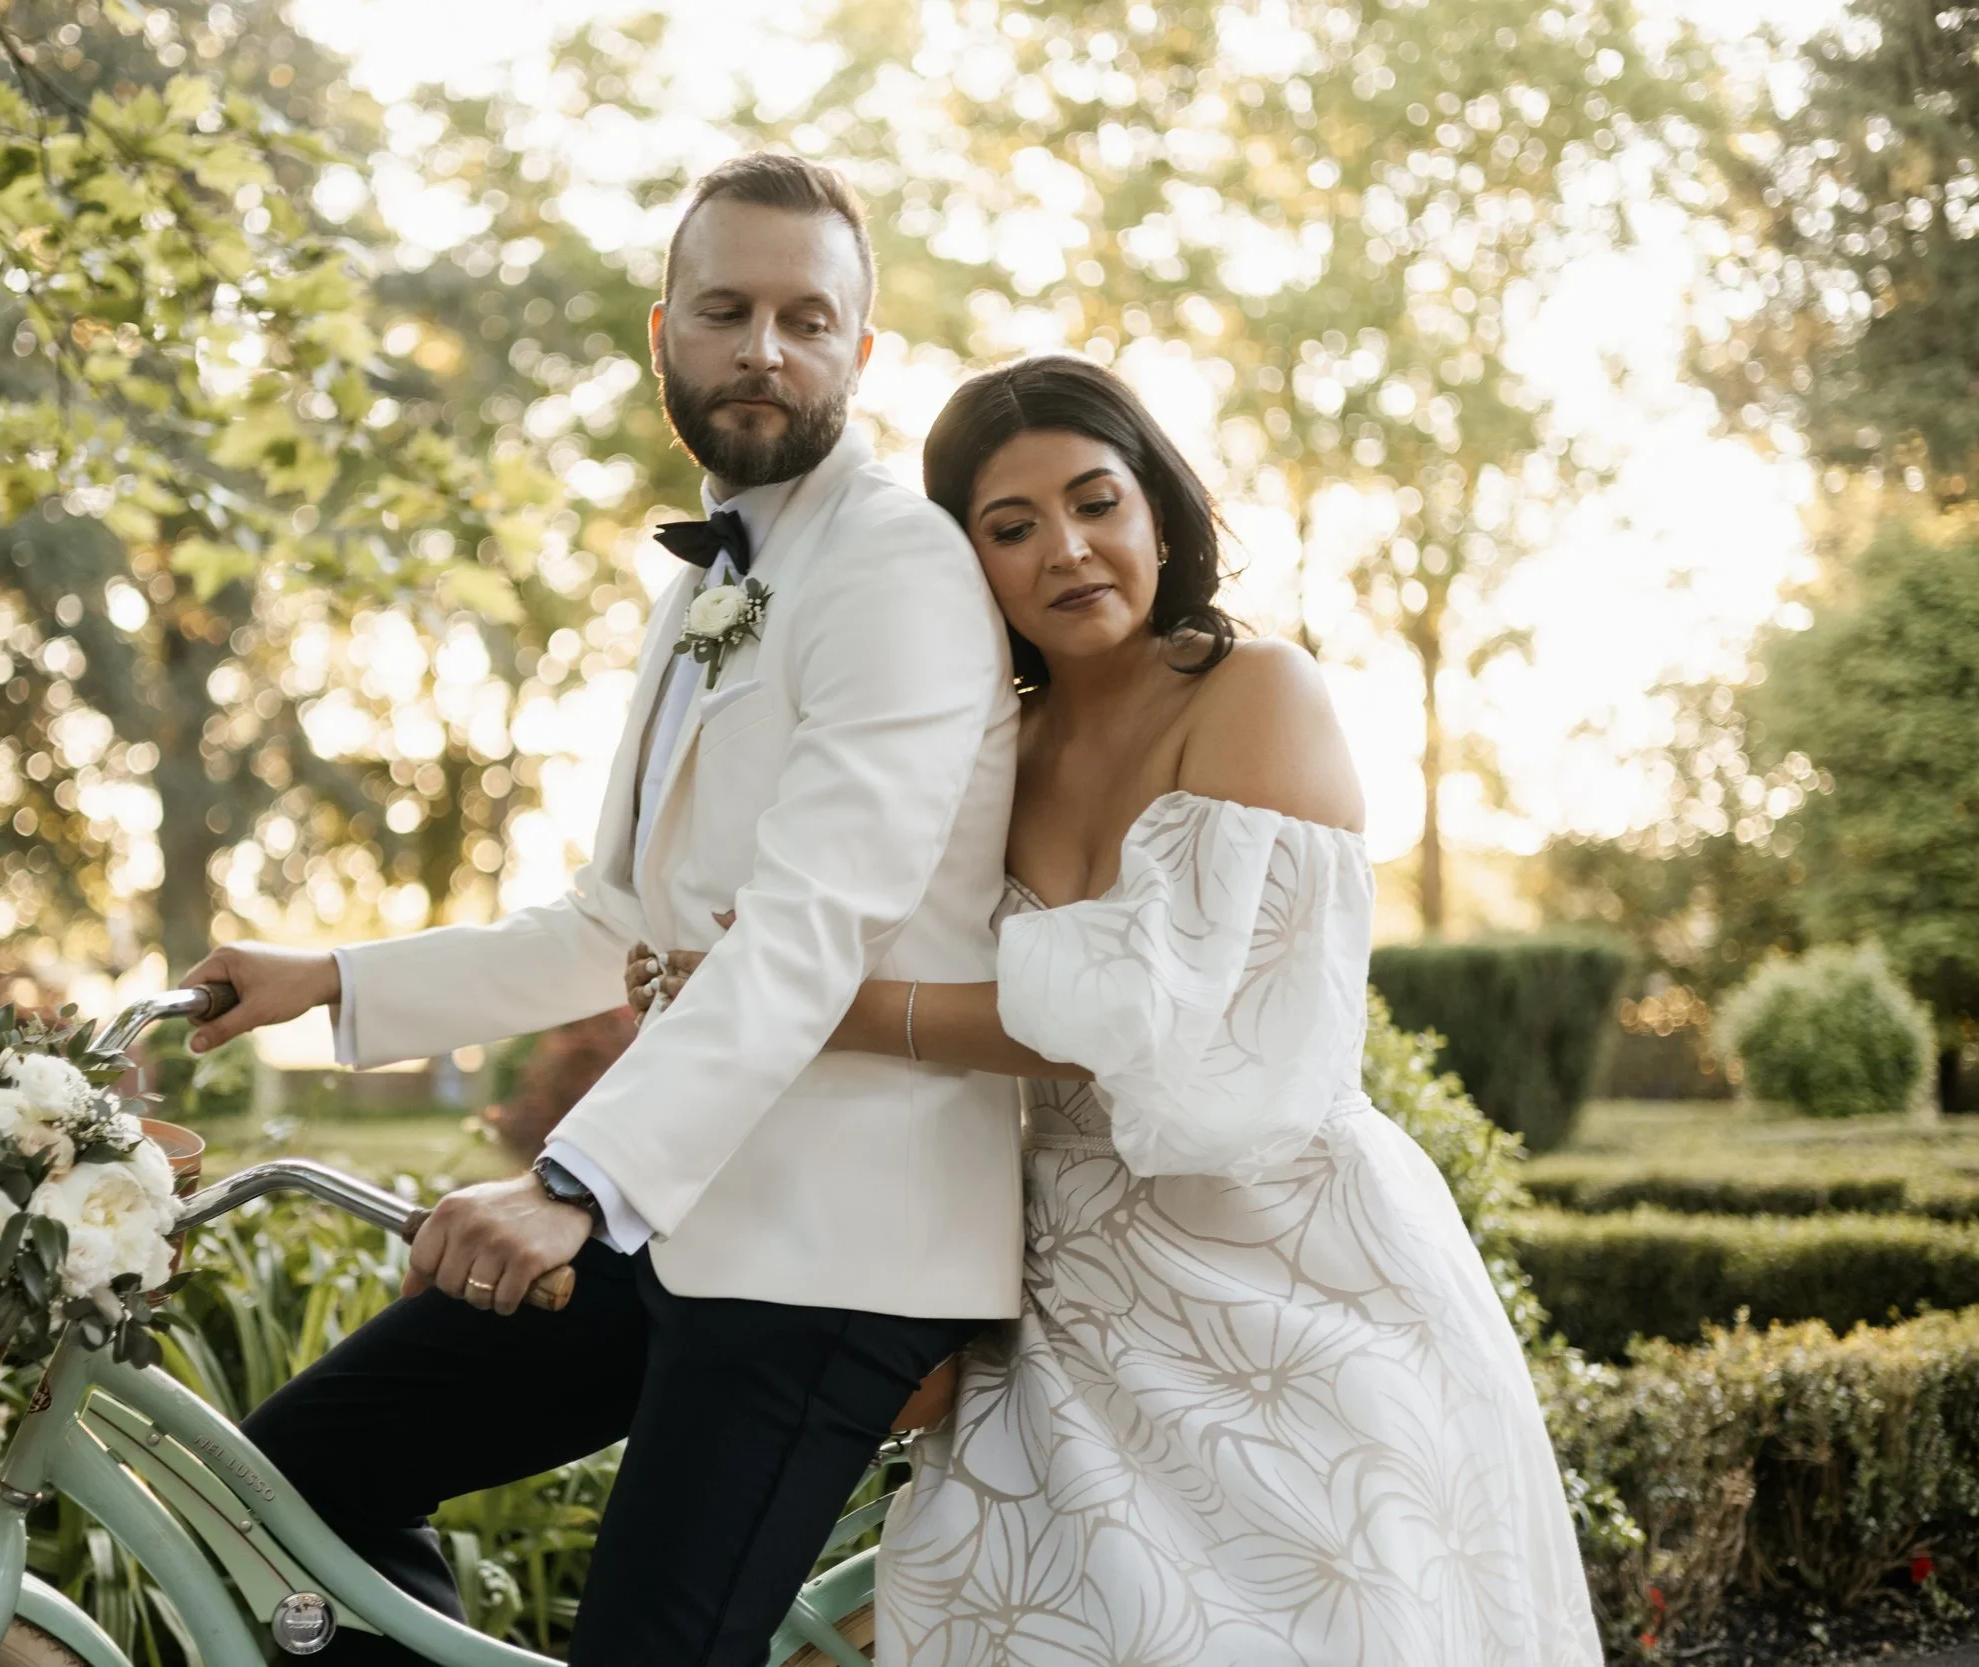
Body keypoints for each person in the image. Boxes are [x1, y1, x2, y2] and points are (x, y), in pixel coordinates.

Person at [178, 152, 1026, 1667]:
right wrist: (326, 976)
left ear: (862, 353)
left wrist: (574, 1185)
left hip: (832, 1247)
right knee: (289, 1483)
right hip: (685, 1213)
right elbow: (607, 919)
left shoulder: (896, 568)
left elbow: (805, 933)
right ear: (663, 335)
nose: (764, 347)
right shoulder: (708, 579)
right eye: (726, 309)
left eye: (805, 317)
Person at [631, 356, 1605, 1666]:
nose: (1067, 549)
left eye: (1096, 501)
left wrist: (837, 1007)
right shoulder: (989, 747)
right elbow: (828, 904)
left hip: (1288, 1264)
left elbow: (1154, 1011)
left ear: (1158, 511)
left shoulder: (1257, 691)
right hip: (1058, 1278)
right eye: (1011, 526)